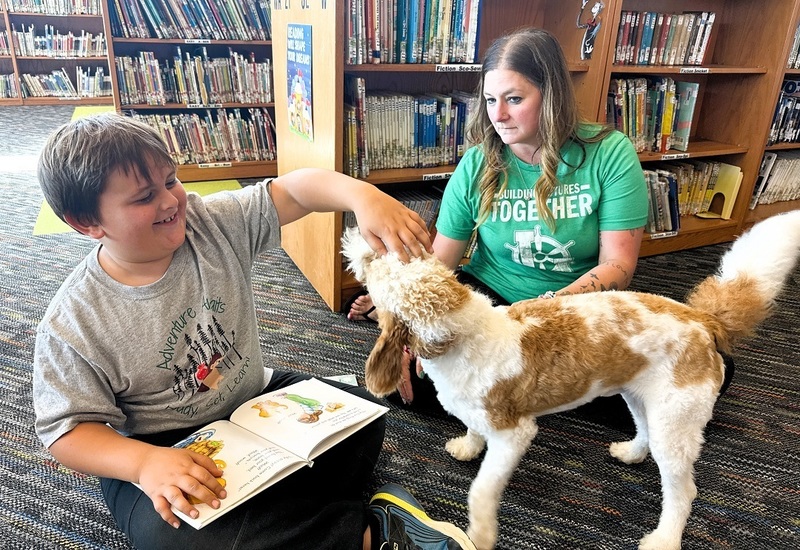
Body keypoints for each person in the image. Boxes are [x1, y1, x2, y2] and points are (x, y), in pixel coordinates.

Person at [33, 112, 477, 550]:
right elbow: (67, 431)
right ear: (85, 222)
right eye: (144, 196)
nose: (170, 202)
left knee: (363, 415)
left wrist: (363, 197)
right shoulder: (73, 321)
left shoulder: (211, 225)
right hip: (163, 447)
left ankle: (289, 513)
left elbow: (297, 191)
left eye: (170, 181)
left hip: (253, 403)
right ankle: (374, 533)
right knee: (174, 536)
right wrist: (145, 463)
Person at [347, 27, 650, 412]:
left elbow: (619, 265)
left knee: (693, 372)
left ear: (552, 95)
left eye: (514, 99)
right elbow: (441, 263)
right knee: (408, 383)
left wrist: (547, 312)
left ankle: (521, 385)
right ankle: (532, 385)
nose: (499, 115)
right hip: (492, 303)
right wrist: (413, 329)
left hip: (574, 306)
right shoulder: (478, 162)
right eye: (490, 100)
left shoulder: (610, 152)